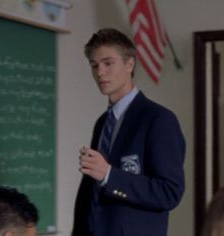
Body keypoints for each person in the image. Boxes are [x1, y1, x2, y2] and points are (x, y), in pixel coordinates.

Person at [72, 28, 186, 236]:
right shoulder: (102, 122)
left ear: (129, 63)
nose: (100, 72)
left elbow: (170, 192)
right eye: (94, 65)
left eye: (108, 63)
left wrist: (109, 175)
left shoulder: (159, 119)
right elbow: (89, 192)